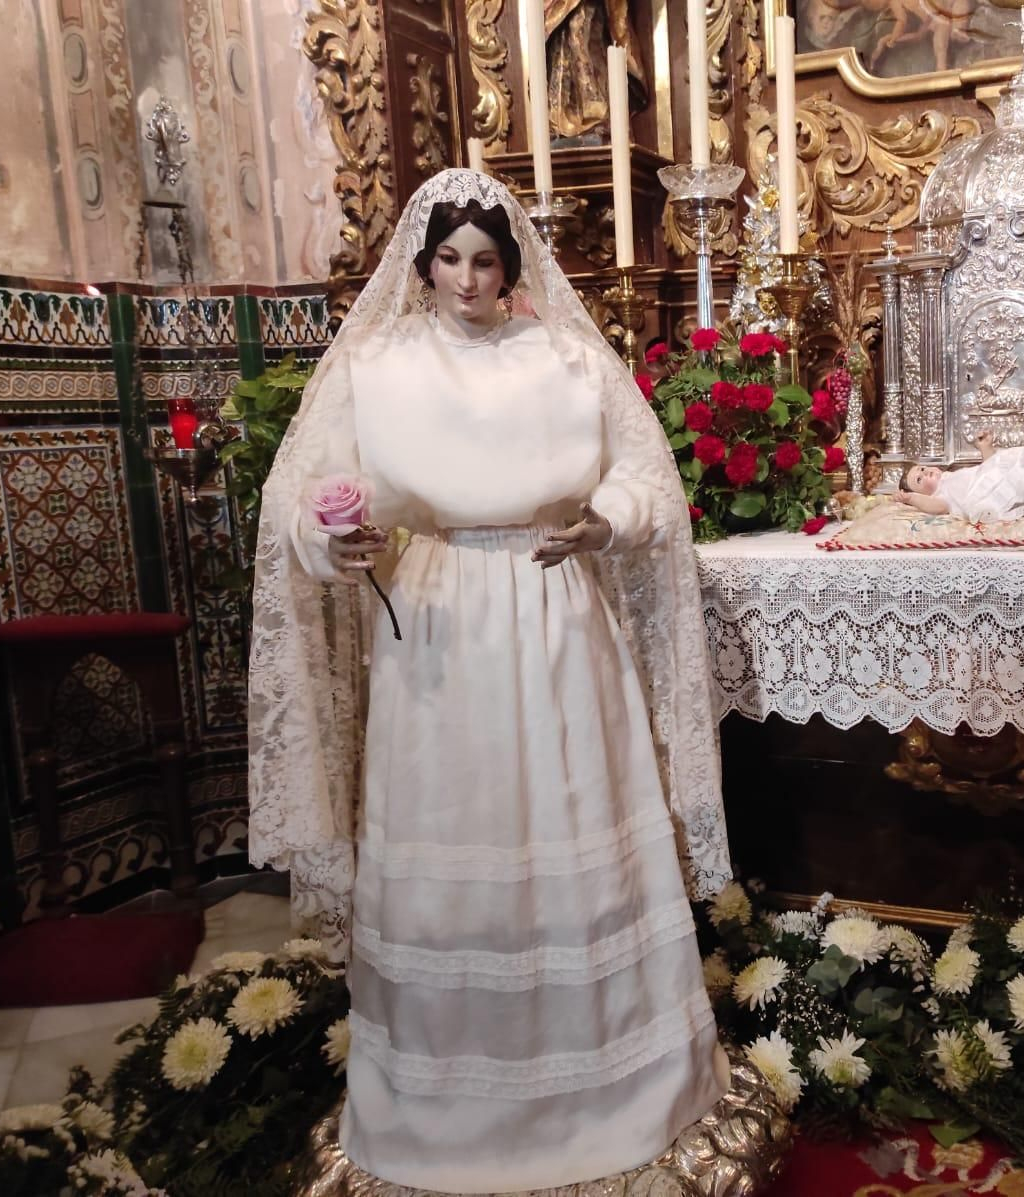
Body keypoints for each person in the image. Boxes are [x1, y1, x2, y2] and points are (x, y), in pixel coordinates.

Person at [246, 169, 732, 1193]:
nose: (467, 280)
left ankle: (607, 1083)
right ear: (422, 265)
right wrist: (334, 540)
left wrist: (607, 519)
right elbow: (298, 496)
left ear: (512, 266)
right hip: (432, 620)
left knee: (566, 815)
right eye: (450, 260)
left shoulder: (563, 357)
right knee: (451, 819)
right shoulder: (375, 365)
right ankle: (445, 1095)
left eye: (486, 260)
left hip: (555, 612)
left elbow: (647, 479)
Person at [896, 430, 1024, 520]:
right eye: (919, 480)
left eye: (921, 469)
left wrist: (985, 447)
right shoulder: (941, 496)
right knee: (1012, 494)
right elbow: (935, 508)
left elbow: (988, 468)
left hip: (987, 478)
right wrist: (911, 499)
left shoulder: (952, 475)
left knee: (1002, 462)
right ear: (924, 494)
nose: (925, 472)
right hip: (983, 498)